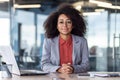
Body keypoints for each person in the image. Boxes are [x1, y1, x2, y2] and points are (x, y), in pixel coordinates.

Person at [41, 3, 89, 74]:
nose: (65, 25)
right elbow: (44, 64)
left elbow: (86, 65)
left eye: (68, 22)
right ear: (56, 25)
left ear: (73, 25)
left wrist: (72, 68)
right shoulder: (49, 41)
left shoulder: (82, 41)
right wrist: (59, 69)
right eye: (61, 22)